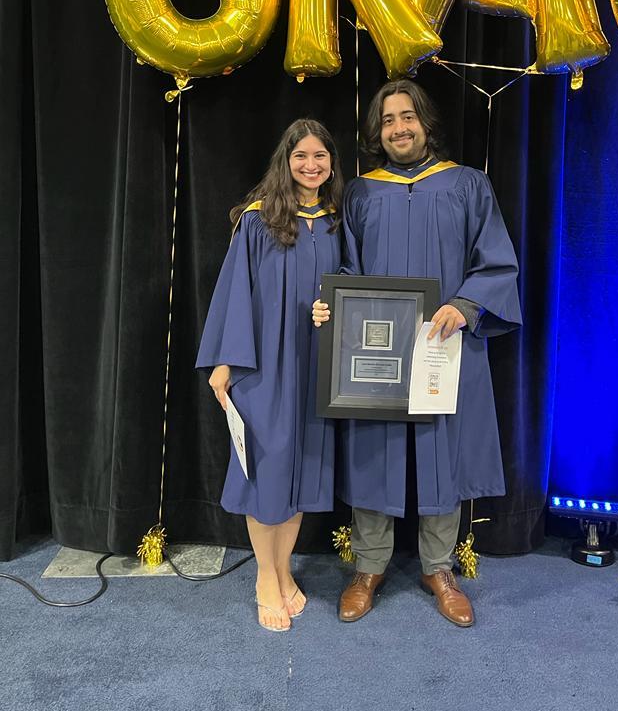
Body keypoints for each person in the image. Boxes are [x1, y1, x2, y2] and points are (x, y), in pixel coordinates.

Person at [313, 80, 521, 627]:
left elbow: (496, 263)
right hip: (376, 347)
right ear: (376, 133)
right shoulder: (361, 192)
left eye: (408, 117)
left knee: (441, 452)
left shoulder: (467, 185)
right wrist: (339, 310)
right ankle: (368, 567)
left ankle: (439, 567)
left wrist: (468, 305)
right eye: (387, 121)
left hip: (442, 343)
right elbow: (346, 269)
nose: (399, 128)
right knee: (373, 449)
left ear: (426, 123)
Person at [197, 119, 343, 631]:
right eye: (300, 156)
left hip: (315, 363)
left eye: (319, 156)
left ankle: (283, 572)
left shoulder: (333, 220)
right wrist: (225, 361)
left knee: (301, 471)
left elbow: (347, 286)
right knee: (266, 471)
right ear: (285, 160)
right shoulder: (259, 221)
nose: (310, 165)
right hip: (264, 363)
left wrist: (335, 309)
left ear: (331, 162)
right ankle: (264, 576)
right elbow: (235, 293)